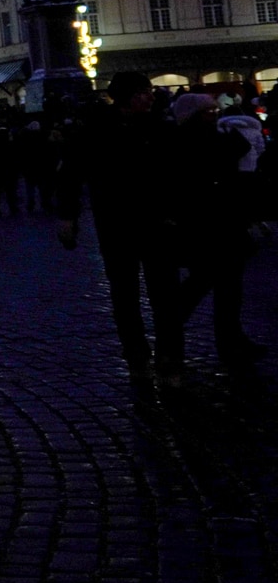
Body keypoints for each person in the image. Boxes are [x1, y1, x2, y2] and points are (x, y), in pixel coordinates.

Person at [57, 70, 183, 383]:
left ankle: (168, 357)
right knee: (126, 294)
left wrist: (175, 210)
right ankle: (137, 355)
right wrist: (68, 215)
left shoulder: (159, 126)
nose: (151, 97)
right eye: (144, 92)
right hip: (117, 221)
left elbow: (178, 174)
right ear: (128, 96)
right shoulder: (97, 129)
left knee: (164, 294)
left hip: (156, 221)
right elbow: (72, 173)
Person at [165, 92, 266, 373]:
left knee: (224, 287)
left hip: (221, 223)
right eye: (208, 112)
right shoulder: (195, 140)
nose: (214, 116)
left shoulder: (204, 136)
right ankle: (177, 332)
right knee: (208, 283)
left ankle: (230, 339)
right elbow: (225, 160)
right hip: (208, 225)